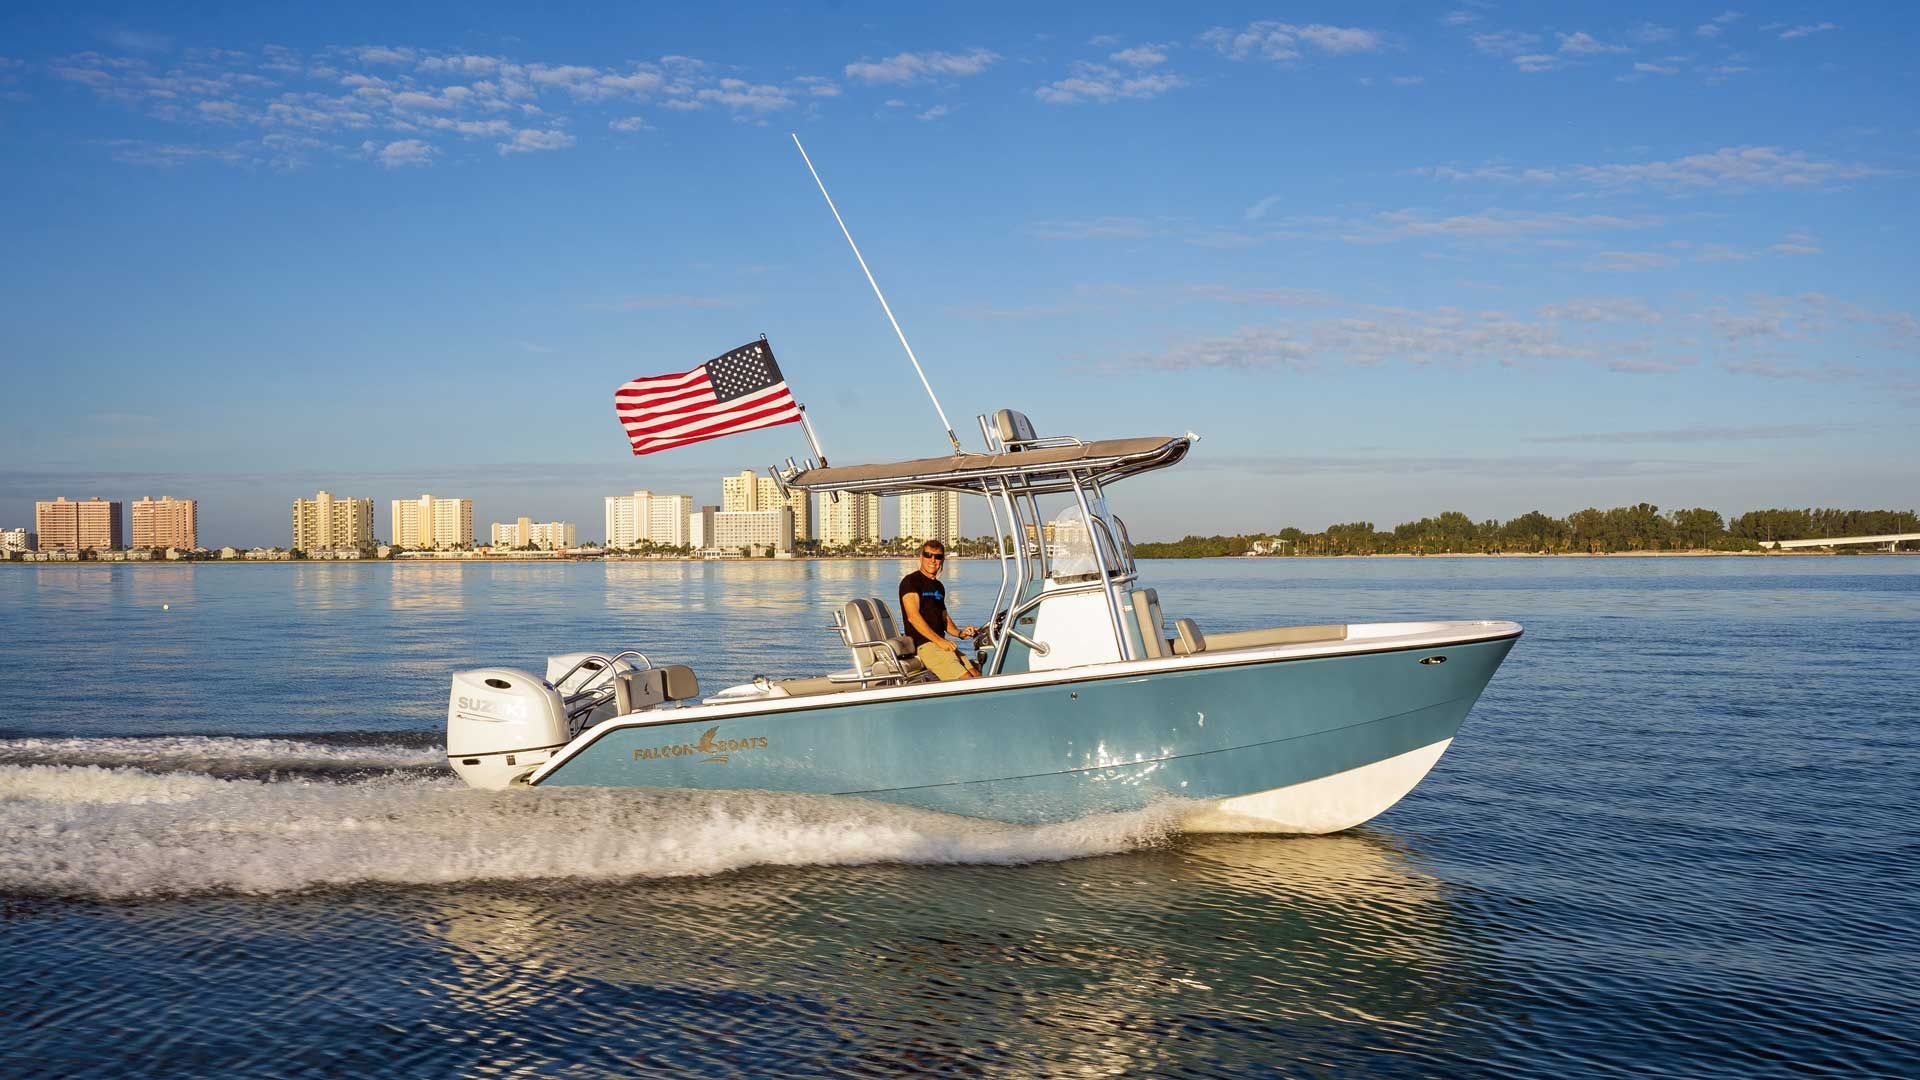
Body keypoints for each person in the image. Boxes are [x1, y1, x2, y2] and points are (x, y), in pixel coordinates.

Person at [899, 539, 979, 681]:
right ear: (921, 557)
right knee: (968, 681)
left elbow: (944, 618)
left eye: (938, 556)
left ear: (943, 560)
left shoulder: (939, 586)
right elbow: (913, 617)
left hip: (941, 644)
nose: (933, 560)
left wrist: (960, 633)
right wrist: (939, 641)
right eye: (928, 555)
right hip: (925, 646)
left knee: (977, 675)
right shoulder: (910, 581)